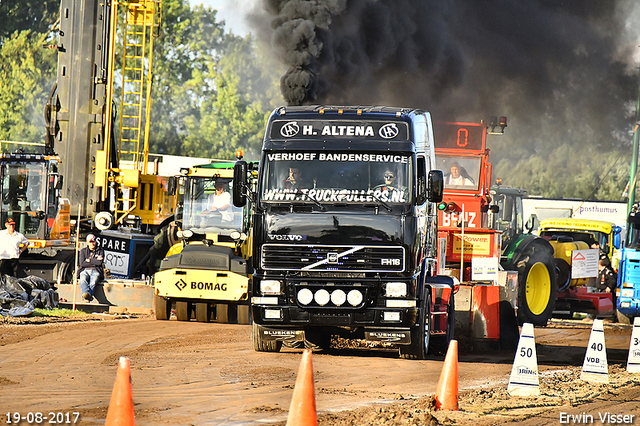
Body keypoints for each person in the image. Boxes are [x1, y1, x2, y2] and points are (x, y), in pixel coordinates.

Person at [77, 233, 105, 302]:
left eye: (94, 241)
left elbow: (99, 263)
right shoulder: (83, 251)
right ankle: (86, 295)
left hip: (96, 270)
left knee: (94, 281)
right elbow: (82, 264)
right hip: (85, 270)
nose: (92, 243)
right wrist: (94, 261)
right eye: (90, 242)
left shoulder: (100, 250)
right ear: (87, 243)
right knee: (83, 279)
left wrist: (89, 260)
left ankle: (87, 296)